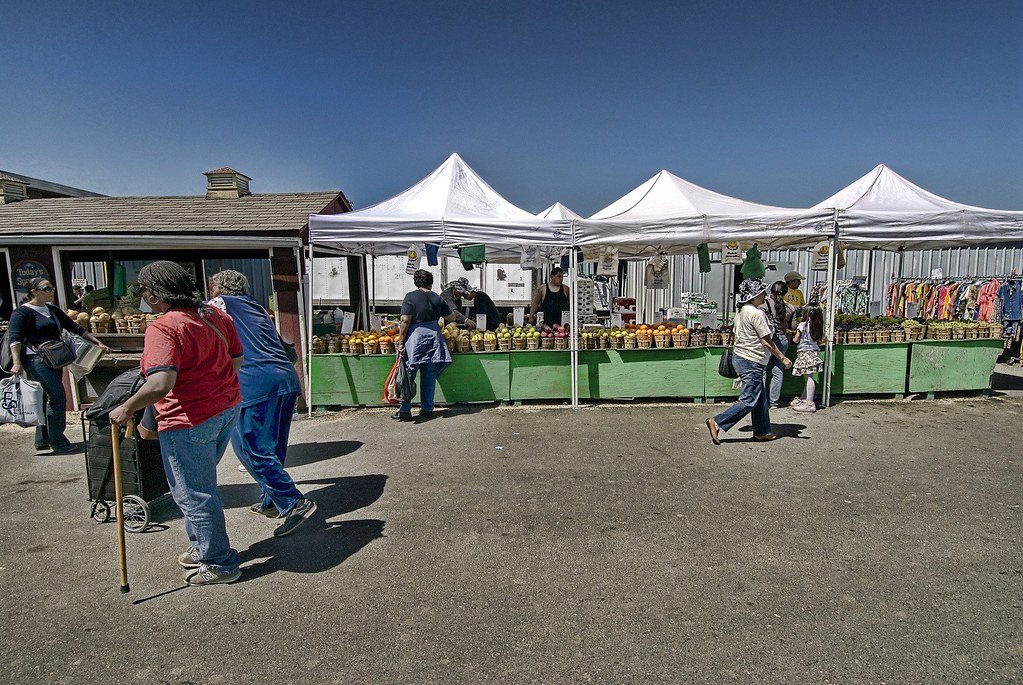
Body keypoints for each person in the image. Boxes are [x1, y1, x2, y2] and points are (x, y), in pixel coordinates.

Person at [107, 261, 244, 586]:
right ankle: (202, 546)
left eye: (142, 290)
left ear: (155, 294)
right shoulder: (215, 315)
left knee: (194, 493)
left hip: (188, 420)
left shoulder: (164, 327)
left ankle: (219, 563)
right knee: (199, 487)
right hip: (224, 409)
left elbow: (161, 382)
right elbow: (236, 359)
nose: (141, 296)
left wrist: (125, 407)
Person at [208, 270, 315, 536]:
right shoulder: (256, 307)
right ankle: (272, 501)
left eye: (211, 287)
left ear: (218, 289)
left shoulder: (219, 305)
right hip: (285, 380)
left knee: (250, 448)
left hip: (255, 382)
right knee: (272, 446)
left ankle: (292, 501)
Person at [8, 277, 108, 454]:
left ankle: (43, 439)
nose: (51, 291)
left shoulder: (52, 310)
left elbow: (76, 328)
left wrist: (97, 343)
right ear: (34, 292)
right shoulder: (22, 313)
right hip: (35, 360)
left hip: (55, 359)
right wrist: (17, 363)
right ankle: (59, 442)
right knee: (57, 396)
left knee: (48, 398)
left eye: (52, 288)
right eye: (47, 288)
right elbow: (14, 339)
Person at [706, 278, 792, 445]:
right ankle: (717, 422)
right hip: (752, 361)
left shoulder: (742, 311)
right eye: (761, 293)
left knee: (760, 398)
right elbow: (766, 341)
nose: (764, 295)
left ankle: (762, 431)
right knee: (749, 399)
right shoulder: (756, 313)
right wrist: (783, 358)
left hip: (742, 357)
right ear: (754, 296)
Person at [395, 269, 459, 421]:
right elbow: (451, 316)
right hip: (433, 339)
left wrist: (401, 341)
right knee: (429, 375)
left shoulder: (410, 297)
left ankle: (405, 410)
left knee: (408, 375)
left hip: (415, 340)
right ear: (431, 283)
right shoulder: (437, 298)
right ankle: (427, 409)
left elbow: (404, 321)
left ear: (416, 282)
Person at [759, 280, 797, 408]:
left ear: (771, 292)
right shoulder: (791, 308)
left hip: (767, 338)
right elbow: (793, 326)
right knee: (778, 370)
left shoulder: (763, 305)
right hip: (782, 340)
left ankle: (762, 401)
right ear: (786, 293)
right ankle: (774, 402)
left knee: (762, 369)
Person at [790, 305, 826, 412]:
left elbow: (796, 340)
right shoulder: (817, 325)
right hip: (814, 352)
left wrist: (794, 335)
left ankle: (809, 403)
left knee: (808, 377)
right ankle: (804, 398)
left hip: (804, 352)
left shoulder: (802, 325)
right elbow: (819, 340)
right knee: (808, 377)